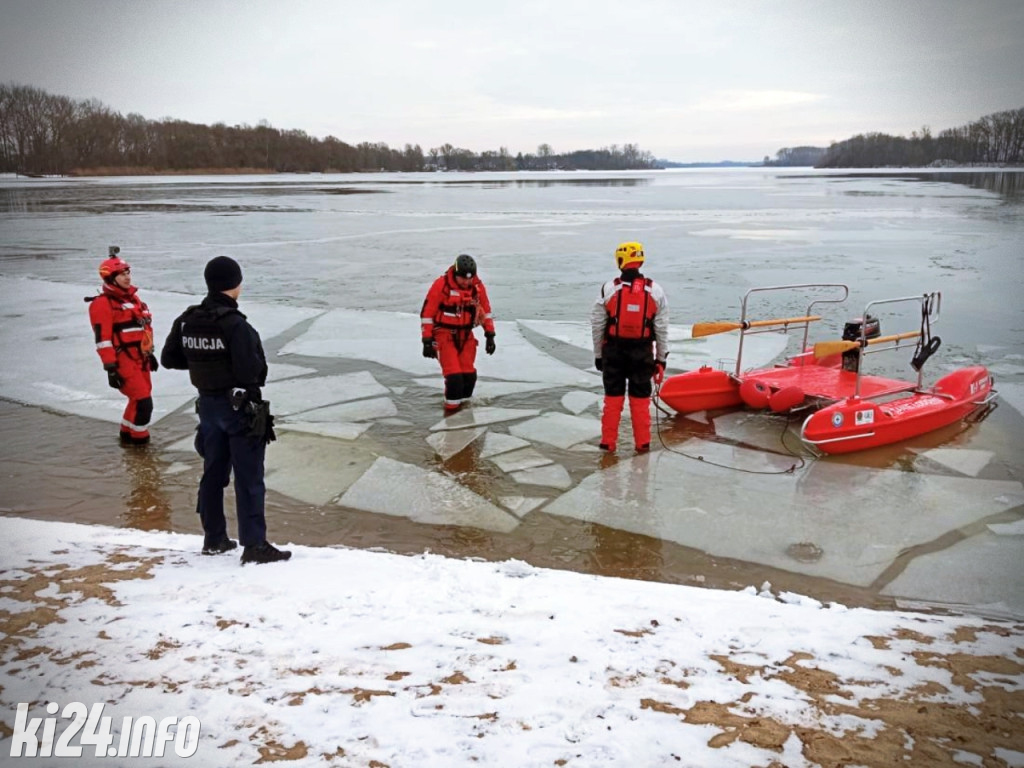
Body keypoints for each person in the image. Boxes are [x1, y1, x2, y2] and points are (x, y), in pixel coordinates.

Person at [160, 256, 291, 565]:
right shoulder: (235, 325)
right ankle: (254, 545)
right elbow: (254, 373)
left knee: (213, 474)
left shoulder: (187, 319)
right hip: (240, 410)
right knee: (249, 478)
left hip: (207, 407)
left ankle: (214, 538)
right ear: (235, 284)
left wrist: (203, 365)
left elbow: (169, 358)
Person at [590, 241, 669, 454]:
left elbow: (597, 324)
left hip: (613, 352)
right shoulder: (656, 290)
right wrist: (661, 359)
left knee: (612, 398)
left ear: (621, 261)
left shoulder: (609, 288)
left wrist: (598, 354)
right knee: (641, 399)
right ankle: (642, 444)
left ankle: (608, 444)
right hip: (642, 353)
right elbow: (661, 328)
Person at [86, 246, 158, 445]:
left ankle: (126, 434)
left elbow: (143, 329)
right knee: (144, 403)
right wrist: (110, 367)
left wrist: (149, 353)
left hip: (140, 358)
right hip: (123, 360)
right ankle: (141, 445)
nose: (127, 277)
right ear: (110, 278)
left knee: (138, 399)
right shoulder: (102, 304)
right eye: (121, 274)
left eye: (128, 273)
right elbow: (103, 339)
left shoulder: (133, 299)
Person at [420, 253, 496, 411]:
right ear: (456, 274)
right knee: (454, 378)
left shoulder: (477, 287)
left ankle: (463, 415)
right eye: (463, 278)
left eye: (470, 278)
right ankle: (450, 415)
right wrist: (427, 340)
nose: (467, 282)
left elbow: (486, 311)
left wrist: (490, 335)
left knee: (469, 377)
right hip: (444, 335)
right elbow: (427, 314)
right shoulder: (441, 285)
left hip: (466, 336)